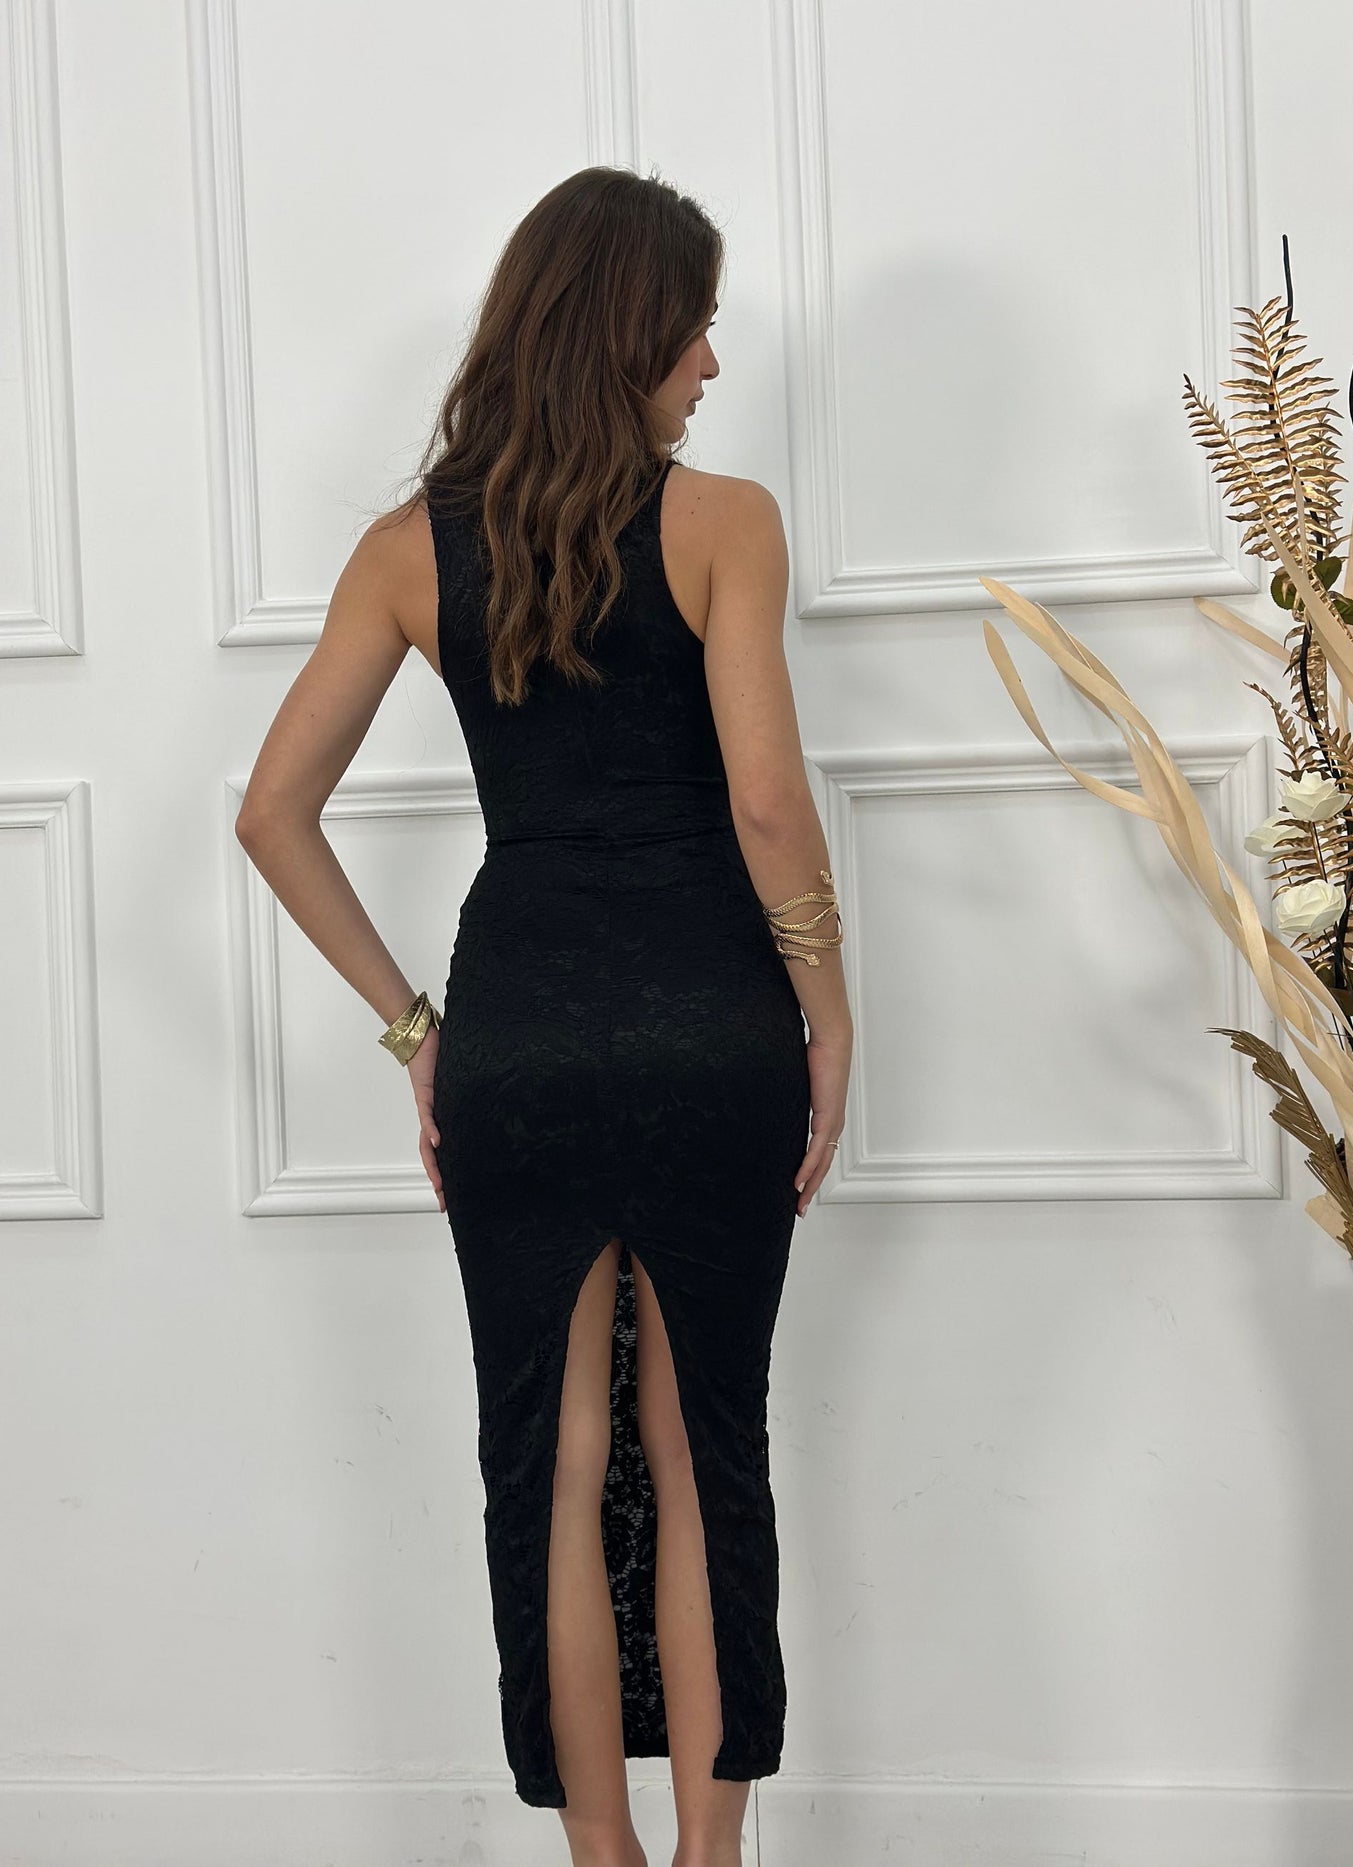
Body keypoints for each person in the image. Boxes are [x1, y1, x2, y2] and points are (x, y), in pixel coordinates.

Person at [234, 166, 854, 1867]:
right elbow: (769, 808)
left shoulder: (405, 554)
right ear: (630, 330)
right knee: (702, 1444)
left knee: (554, 1457)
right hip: (713, 1022)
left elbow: (271, 814)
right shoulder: (723, 524)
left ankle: (601, 1856)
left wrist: (413, 1029)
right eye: (696, 328)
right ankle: (712, 1858)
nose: (713, 364)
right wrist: (829, 1012)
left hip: (514, 1026)